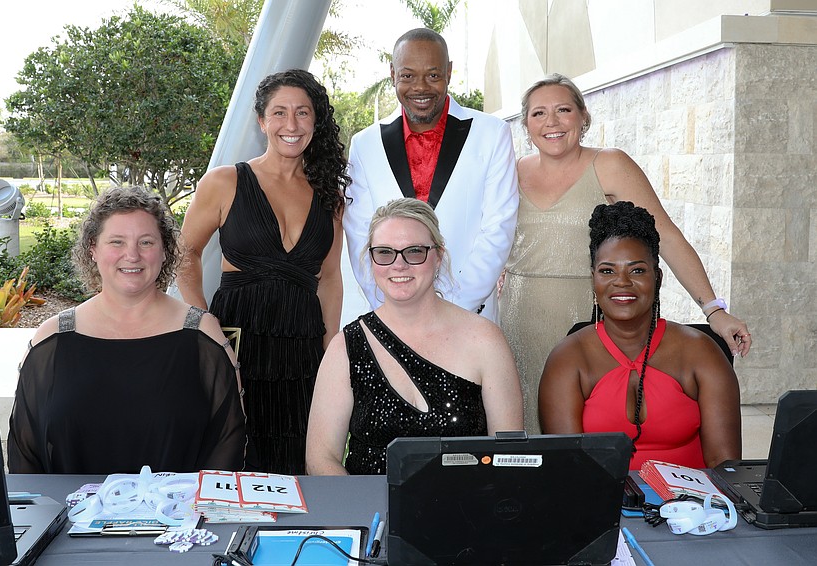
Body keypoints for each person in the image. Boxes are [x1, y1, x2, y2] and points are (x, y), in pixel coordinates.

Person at [500, 73, 751, 433]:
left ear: (583, 116)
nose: (551, 122)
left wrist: (713, 309)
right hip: (517, 321)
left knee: (584, 438)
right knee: (521, 435)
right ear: (526, 124)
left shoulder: (610, 164)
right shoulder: (512, 171)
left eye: (563, 110)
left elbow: (667, 236)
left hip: (586, 321)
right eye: (539, 113)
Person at [177, 69, 350, 475]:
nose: (291, 125)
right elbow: (185, 255)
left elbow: (329, 278)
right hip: (237, 341)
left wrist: (328, 355)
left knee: (302, 460)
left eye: (303, 113)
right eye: (279, 113)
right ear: (261, 121)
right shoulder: (224, 182)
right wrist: (206, 328)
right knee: (231, 455)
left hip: (302, 348)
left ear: (316, 121)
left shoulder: (330, 193)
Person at [7, 186, 245, 474]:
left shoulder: (202, 335)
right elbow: (25, 453)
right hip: (74, 517)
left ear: (165, 251)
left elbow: (227, 443)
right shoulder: (53, 338)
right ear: (93, 249)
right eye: (117, 242)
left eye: (146, 242)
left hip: (178, 516)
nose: (132, 255)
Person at [306, 198, 523, 475]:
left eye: (414, 251)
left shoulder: (485, 340)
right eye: (385, 253)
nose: (399, 265)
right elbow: (320, 459)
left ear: (438, 256)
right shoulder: (345, 348)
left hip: (464, 511)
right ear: (371, 259)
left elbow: (510, 455)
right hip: (372, 515)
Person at [539, 201, 742, 470]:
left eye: (637, 270)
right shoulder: (567, 359)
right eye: (607, 271)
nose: (622, 282)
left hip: (693, 508)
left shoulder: (702, 353)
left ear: (657, 278)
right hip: (601, 508)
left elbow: (726, 467)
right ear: (593, 279)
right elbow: (568, 469)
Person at [343, 28, 518, 323]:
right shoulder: (365, 143)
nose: (420, 87)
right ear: (392, 74)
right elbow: (360, 234)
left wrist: (453, 307)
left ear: (449, 73)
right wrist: (395, 305)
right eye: (408, 75)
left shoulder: (492, 133)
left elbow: (498, 228)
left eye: (433, 75)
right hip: (391, 317)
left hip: (469, 317)